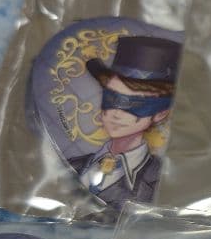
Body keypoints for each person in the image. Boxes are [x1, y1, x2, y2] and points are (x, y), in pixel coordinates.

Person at [67, 35, 181, 207]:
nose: (116, 113)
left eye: (135, 103)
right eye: (111, 98)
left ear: (160, 113)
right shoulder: (68, 166)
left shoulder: (163, 182)